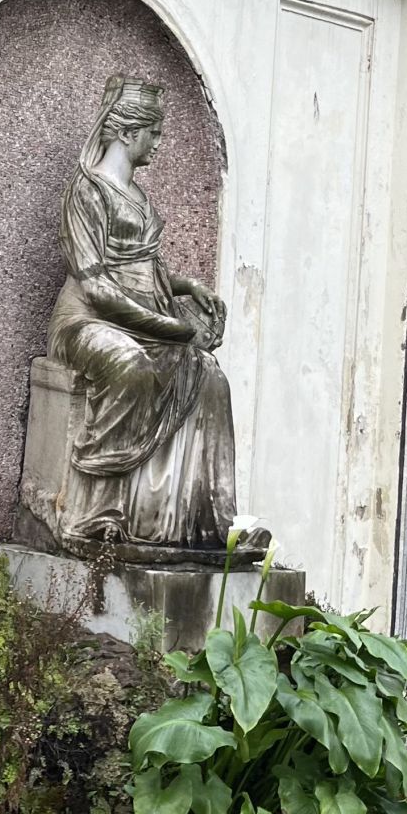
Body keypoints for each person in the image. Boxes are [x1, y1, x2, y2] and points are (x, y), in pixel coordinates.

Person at [46, 73, 237, 545]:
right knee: (128, 363)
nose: (159, 141)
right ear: (128, 132)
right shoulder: (87, 192)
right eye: (154, 132)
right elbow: (97, 286)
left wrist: (187, 287)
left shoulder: (138, 196)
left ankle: (204, 522)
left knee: (210, 376)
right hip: (84, 323)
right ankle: (96, 513)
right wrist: (173, 329)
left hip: (141, 324)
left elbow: (144, 270)